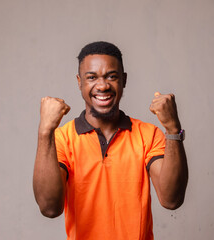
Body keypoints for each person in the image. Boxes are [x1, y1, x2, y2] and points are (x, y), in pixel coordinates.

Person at [33, 41, 188, 240]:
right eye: (91, 77)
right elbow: (49, 207)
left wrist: (173, 129)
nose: (103, 85)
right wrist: (45, 132)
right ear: (79, 82)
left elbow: (171, 200)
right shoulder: (62, 138)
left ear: (123, 80)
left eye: (111, 76)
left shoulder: (148, 134)